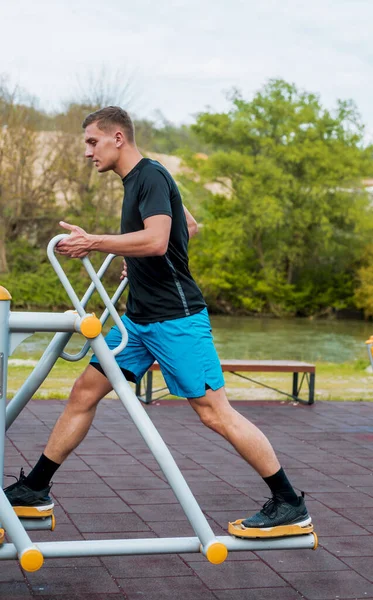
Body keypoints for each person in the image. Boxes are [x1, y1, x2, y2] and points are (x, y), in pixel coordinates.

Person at [5, 106, 312, 537]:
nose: (88, 152)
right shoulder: (139, 182)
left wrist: (100, 242)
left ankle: (290, 503)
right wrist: (145, 258)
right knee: (84, 392)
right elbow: (187, 225)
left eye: (92, 142)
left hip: (177, 320)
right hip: (138, 321)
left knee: (214, 413)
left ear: (117, 137)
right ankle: (36, 489)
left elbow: (158, 237)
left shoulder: (149, 175)